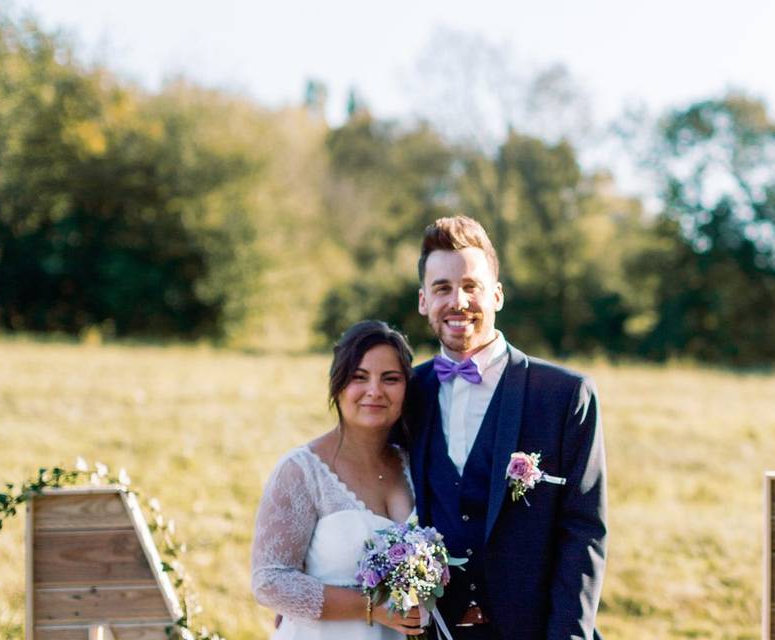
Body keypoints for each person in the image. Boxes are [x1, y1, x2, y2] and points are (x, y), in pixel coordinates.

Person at [405, 216, 607, 639]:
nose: (457, 301)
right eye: (442, 288)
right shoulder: (408, 392)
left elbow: (583, 532)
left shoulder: (564, 396)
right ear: (424, 300)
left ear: (496, 294)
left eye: (471, 286)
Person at [251, 320, 425, 639]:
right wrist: (371, 607)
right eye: (359, 377)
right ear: (338, 383)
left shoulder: (417, 464)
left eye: (390, 379)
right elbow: (270, 581)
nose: (374, 391)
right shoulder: (302, 470)